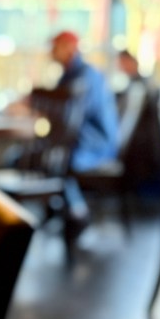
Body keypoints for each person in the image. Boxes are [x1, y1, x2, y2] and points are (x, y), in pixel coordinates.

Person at [48, 29, 119, 231]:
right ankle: (62, 212)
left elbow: (72, 117)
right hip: (78, 142)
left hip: (95, 145)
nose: (51, 52)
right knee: (30, 157)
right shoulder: (67, 76)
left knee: (59, 160)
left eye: (56, 47)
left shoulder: (87, 76)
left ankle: (78, 213)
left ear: (70, 48)